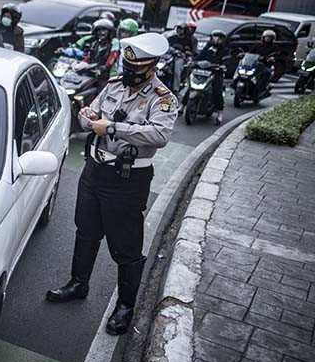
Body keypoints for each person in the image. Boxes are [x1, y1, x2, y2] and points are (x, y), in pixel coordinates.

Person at [45, 33, 178, 336]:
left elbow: (160, 135)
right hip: (94, 171)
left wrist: (115, 127)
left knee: (126, 247)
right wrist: (87, 115)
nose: (129, 73)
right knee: (86, 231)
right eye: (127, 66)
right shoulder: (113, 85)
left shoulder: (163, 98)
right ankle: (78, 284)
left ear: (152, 67)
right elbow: (88, 116)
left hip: (127, 180)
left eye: (136, 69)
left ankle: (125, 306)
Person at [193, 29, 229, 124]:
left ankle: (220, 113)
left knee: (217, 89)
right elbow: (199, 57)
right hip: (203, 72)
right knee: (191, 85)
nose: (217, 40)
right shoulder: (207, 48)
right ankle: (183, 106)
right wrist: (193, 62)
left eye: (219, 38)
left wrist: (222, 65)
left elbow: (226, 60)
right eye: (215, 37)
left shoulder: (225, 50)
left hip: (216, 73)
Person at [244, 29, 280, 94]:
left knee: (267, 72)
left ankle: (262, 88)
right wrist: (244, 54)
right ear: (263, 37)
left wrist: (272, 58)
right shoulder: (257, 45)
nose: (267, 39)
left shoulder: (274, 47)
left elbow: (276, 55)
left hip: (265, 65)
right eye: (266, 37)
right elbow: (250, 52)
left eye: (269, 37)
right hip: (254, 63)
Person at [167, 22, 197, 92]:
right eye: (178, 28)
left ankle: (175, 89)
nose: (179, 30)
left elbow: (188, 51)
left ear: (185, 30)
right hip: (168, 56)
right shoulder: (172, 38)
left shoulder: (188, 40)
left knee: (177, 70)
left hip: (179, 58)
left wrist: (183, 53)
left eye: (181, 29)